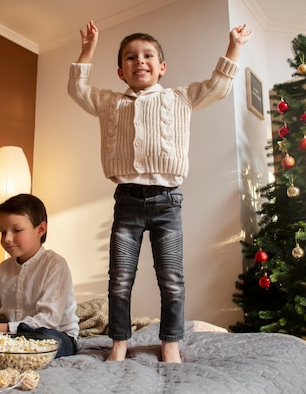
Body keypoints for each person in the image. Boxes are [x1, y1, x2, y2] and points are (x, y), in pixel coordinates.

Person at [68, 20, 253, 363]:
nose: (139, 61)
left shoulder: (178, 97)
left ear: (162, 67)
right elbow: (78, 90)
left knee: (171, 278)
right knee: (120, 278)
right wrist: (88, 50)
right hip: (126, 200)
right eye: (130, 57)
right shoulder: (109, 102)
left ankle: (170, 342)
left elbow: (218, 86)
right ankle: (119, 342)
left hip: (167, 201)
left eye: (148, 55)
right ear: (121, 71)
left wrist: (234, 46)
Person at [0, 193, 79, 358]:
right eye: (2, 232)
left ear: (40, 229)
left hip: (56, 335)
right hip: (13, 336)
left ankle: (4, 349)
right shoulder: (2, 269)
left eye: (17, 230)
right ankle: (4, 350)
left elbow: (48, 320)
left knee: (45, 338)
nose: (7, 239)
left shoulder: (55, 264)